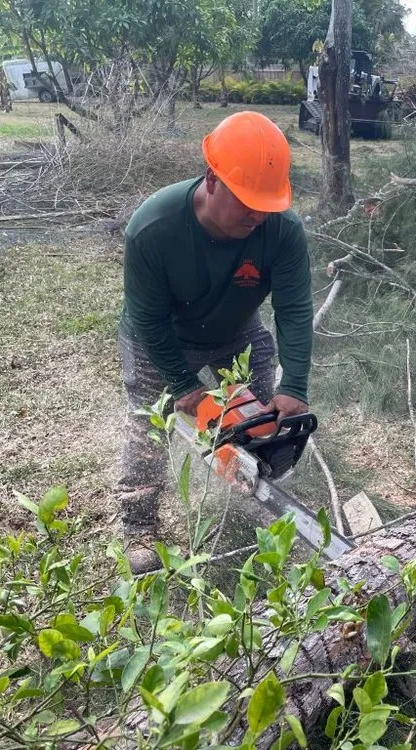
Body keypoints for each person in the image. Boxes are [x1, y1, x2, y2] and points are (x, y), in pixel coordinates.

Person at [117, 111, 313, 573]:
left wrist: (294, 385)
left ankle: (252, 499)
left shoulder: (282, 231)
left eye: (265, 204)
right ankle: (138, 524)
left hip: (236, 328)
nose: (257, 215)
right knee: (149, 425)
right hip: (159, 336)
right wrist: (182, 383)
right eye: (247, 202)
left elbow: (294, 309)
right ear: (211, 180)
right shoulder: (154, 228)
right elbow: (148, 318)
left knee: (259, 420)